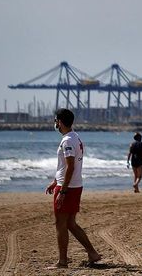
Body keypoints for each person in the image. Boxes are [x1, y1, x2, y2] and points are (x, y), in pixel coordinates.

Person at [46, 109, 101, 268]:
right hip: (74, 185)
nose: (55, 123)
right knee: (70, 223)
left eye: (56, 120)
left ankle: (63, 261)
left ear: (60, 122)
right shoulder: (75, 137)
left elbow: (70, 166)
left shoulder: (67, 141)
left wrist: (62, 190)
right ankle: (92, 253)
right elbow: (65, 166)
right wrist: (55, 181)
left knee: (60, 224)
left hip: (68, 187)